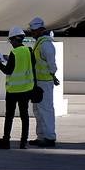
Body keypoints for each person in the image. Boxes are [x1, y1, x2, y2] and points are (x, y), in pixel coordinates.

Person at [0, 27, 34, 149]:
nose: (11, 43)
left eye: (11, 41)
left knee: (9, 116)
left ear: (14, 39)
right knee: (24, 116)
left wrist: (0, 63)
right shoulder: (29, 50)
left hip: (13, 91)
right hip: (26, 89)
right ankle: (23, 142)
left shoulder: (14, 53)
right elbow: (30, 65)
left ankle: (6, 141)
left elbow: (8, 70)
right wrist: (10, 59)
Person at [26, 16, 59, 147]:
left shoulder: (46, 45)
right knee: (38, 110)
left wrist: (52, 75)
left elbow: (52, 65)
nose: (32, 33)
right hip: (38, 82)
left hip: (44, 83)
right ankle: (41, 136)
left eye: (33, 31)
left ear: (40, 30)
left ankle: (50, 137)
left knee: (46, 110)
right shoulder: (39, 43)